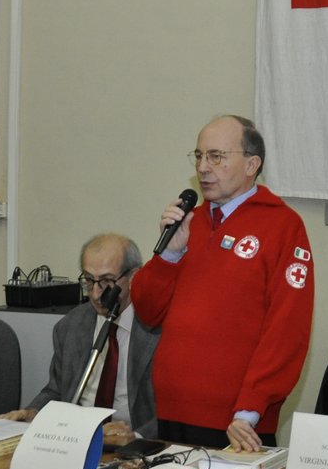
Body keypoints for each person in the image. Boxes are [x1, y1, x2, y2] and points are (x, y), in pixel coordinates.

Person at [131, 115, 314, 451]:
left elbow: (287, 328)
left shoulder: (282, 225)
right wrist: (169, 256)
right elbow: (147, 310)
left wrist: (251, 409)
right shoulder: (189, 223)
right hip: (171, 413)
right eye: (199, 156)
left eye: (216, 156)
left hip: (236, 422)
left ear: (251, 164)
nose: (203, 167)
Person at [0, 233, 158, 444]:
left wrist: (136, 437)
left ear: (134, 276)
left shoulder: (157, 329)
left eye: (107, 281)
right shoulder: (70, 326)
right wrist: (32, 413)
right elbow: (56, 390)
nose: (96, 294)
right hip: (77, 440)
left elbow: (173, 412)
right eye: (89, 281)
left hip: (134, 445)